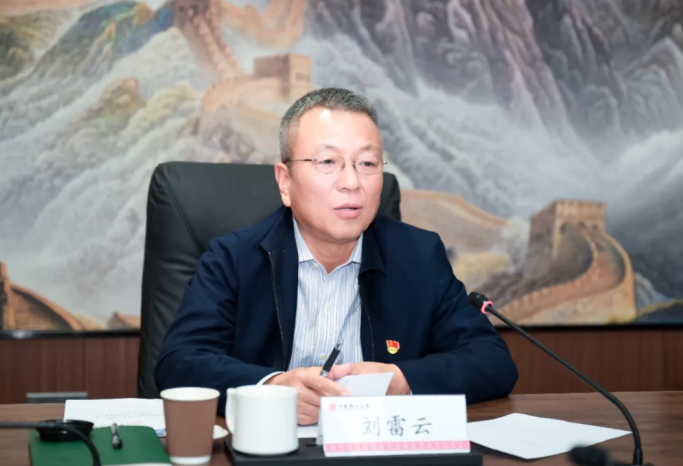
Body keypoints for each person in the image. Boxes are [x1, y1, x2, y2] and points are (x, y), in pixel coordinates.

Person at [154, 87, 518, 424]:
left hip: (379, 452)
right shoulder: (233, 259)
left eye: (367, 163)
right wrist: (273, 388)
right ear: (285, 182)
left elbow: (492, 361)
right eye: (328, 161)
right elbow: (179, 364)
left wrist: (402, 379)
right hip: (270, 450)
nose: (351, 182)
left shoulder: (418, 257)